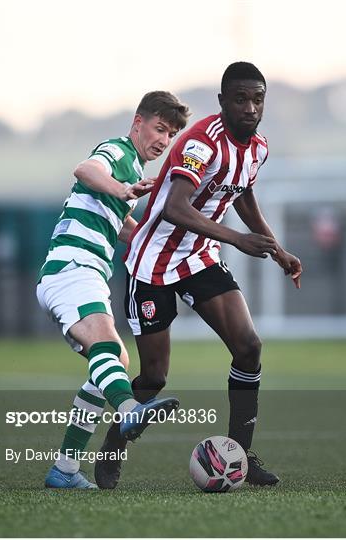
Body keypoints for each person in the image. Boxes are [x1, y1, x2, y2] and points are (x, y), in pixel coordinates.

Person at [96, 62, 302, 489]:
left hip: (200, 258)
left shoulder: (258, 148)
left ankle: (240, 455)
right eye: (241, 99)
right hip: (153, 263)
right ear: (223, 102)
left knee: (248, 347)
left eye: (257, 99)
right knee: (154, 377)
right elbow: (174, 207)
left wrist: (277, 249)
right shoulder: (200, 142)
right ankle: (114, 444)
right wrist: (238, 240)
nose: (250, 107)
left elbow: (241, 191)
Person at [36, 91, 190, 488]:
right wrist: (123, 191)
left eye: (170, 134)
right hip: (73, 266)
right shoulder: (117, 151)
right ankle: (128, 408)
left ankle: (65, 470)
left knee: (112, 359)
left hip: (87, 272)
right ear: (138, 122)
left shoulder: (132, 167)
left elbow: (119, 223)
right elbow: (85, 169)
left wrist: (145, 238)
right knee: (108, 348)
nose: (163, 139)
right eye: (159, 128)